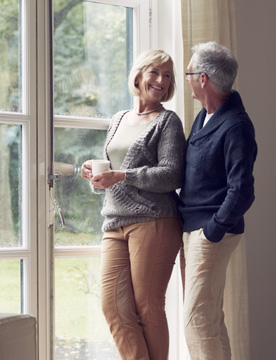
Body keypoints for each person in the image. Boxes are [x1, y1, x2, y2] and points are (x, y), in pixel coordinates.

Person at [80, 49, 186, 360]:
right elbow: (114, 169)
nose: (161, 80)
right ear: (138, 75)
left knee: (147, 305)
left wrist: (122, 175)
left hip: (155, 220)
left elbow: (171, 175)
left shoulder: (168, 121)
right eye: (155, 72)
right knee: (112, 305)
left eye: (168, 76)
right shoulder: (119, 119)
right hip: (115, 222)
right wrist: (96, 175)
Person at [178, 42, 257, 359]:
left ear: (203, 78)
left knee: (196, 321)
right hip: (194, 229)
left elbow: (243, 190)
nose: (186, 78)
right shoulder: (204, 116)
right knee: (209, 319)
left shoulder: (236, 126)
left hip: (210, 233)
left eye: (188, 72)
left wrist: (213, 230)